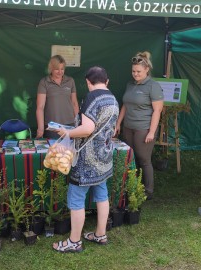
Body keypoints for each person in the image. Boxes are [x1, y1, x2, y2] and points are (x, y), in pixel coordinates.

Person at [52, 66, 119, 253]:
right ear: (107, 81)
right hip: (104, 158)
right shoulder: (113, 98)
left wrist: (67, 132)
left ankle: (74, 241)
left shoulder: (92, 97)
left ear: (88, 82)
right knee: (102, 195)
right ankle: (100, 234)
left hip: (87, 160)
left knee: (76, 199)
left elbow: (87, 128)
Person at [115, 51, 164, 200]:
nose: (135, 74)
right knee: (130, 158)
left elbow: (157, 110)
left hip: (144, 128)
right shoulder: (130, 84)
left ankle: (148, 190)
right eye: (133, 71)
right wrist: (118, 124)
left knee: (144, 159)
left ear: (147, 69)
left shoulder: (153, 86)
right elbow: (125, 105)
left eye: (139, 71)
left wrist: (151, 132)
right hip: (128, 127)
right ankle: (132, 185)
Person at [36, 55, 79, 139]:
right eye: (57, 69)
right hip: (53, 125)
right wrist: (40, 128)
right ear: (51, 68)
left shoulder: (70, 81)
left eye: (62, 69)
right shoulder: (44, 82)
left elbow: (74, 103)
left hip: (70, 124)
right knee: (54, 151)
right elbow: (40, 107)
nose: (60, 72)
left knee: (69, 151)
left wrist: (78, 123)